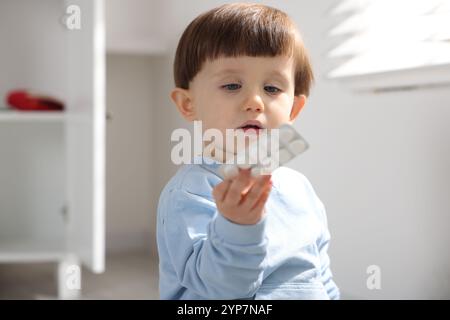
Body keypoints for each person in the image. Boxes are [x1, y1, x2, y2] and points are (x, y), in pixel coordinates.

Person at [157, 3, 340, 300]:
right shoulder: (189, 192)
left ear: (294, 108)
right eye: (232, 85)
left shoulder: (300, 189)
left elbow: (321, 276)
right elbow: (222, 290)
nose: (255, 101)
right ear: (188, 104)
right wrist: (237, 226)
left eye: (271, 89)